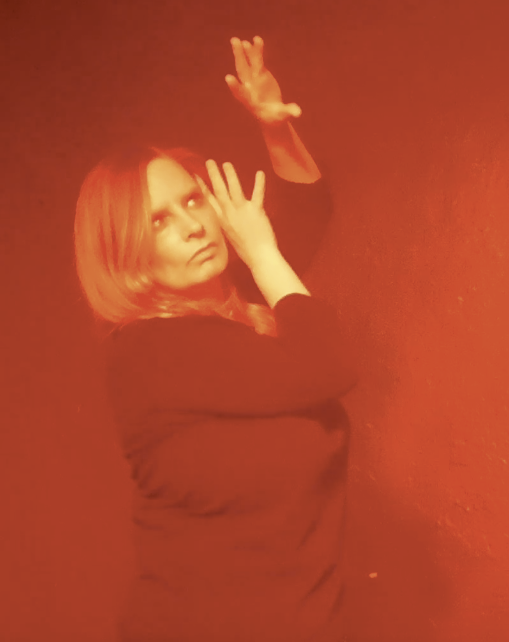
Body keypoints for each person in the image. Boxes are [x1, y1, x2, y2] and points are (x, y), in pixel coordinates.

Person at [75, 36, 356, 642]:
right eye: (159, 221)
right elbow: (328, 362)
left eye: (193, 200)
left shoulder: (233, 310)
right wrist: (261, 251)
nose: (193, 226)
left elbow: (308, 208)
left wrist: (274, 129)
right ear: (126, 252)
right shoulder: (149, 351)